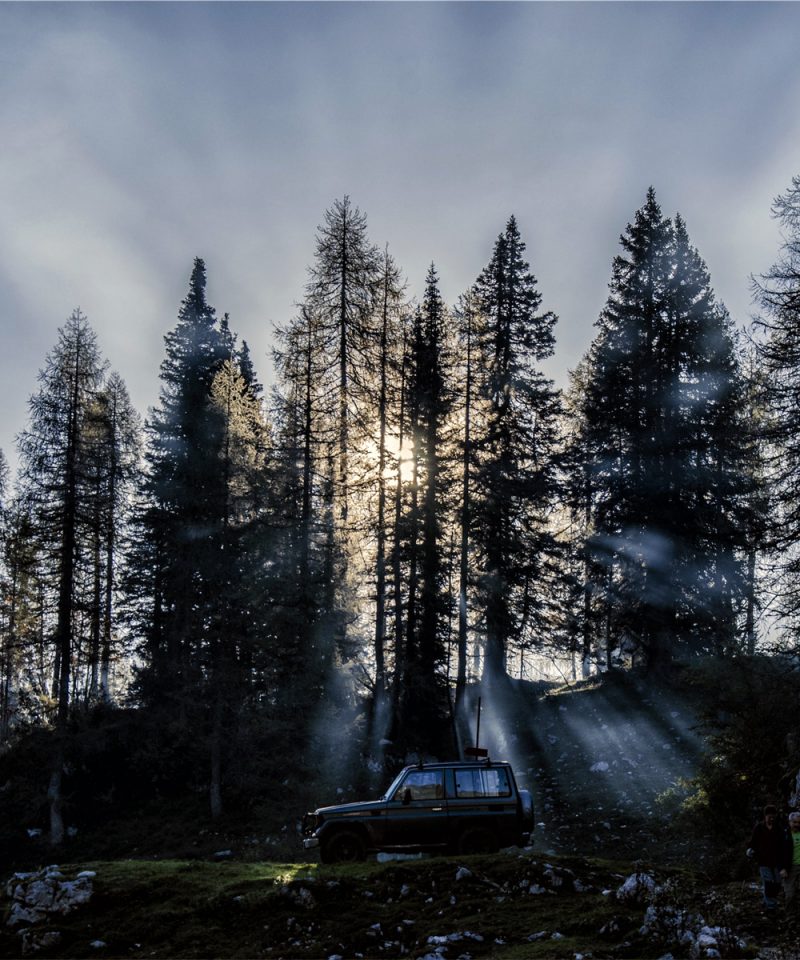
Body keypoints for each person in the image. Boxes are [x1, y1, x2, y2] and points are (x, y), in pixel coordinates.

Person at [747, 804, 792, 911]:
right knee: (768, 883)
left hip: (777, 861)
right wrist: (749, 849)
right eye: (769, 816)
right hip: (763, 860)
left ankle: (767, 900)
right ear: (765, 816)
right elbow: (753, 841)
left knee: (777, 883)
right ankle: (771, 906)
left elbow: (783, 845)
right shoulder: (759, 827)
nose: (771, 818)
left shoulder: (779, 828)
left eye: (773, 816)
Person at [784, 811, 800, 917]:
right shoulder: (784, 834)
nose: (797, 825)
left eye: (799, 822)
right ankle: (789, 915)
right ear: (790, 822)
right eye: (794, 822)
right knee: (790, 893)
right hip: (790, 867)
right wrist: (781, 868)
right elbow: (778, 853)